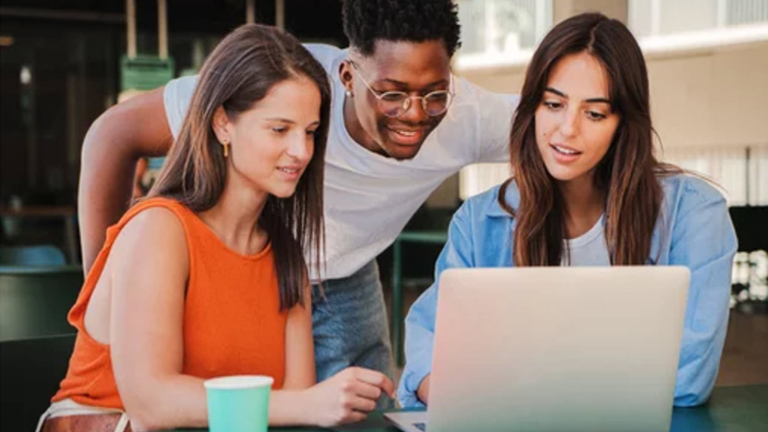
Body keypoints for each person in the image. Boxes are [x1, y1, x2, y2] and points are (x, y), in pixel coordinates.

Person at [77, 0, 519, 382]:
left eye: (434, 94)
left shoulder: (469, 114)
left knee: (355, 410)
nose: (415, 114)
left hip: (341, 272)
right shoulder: (288, 83)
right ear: (347, 76)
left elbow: (563, 129)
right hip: (237, 267)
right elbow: (112, 135)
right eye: (391, 94)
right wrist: (106, 293)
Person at [39, 24, 393, 432]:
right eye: (280, 129)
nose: (301, 151)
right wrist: (309, 405)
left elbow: (295, 411)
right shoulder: (159, 228)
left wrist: (324, 404)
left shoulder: (288, 258)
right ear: (222, 123)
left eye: (310, 132)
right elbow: (152, 405)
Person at [398, 12, 738, 409]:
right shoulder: (479, 222)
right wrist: (439, 386)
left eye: (594, 113)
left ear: (623, 124)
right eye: (554, 104)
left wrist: (514, 385)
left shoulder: (694, 214)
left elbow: (688, 378)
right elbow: (428, 344)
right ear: (533, 108)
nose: (567, 130)